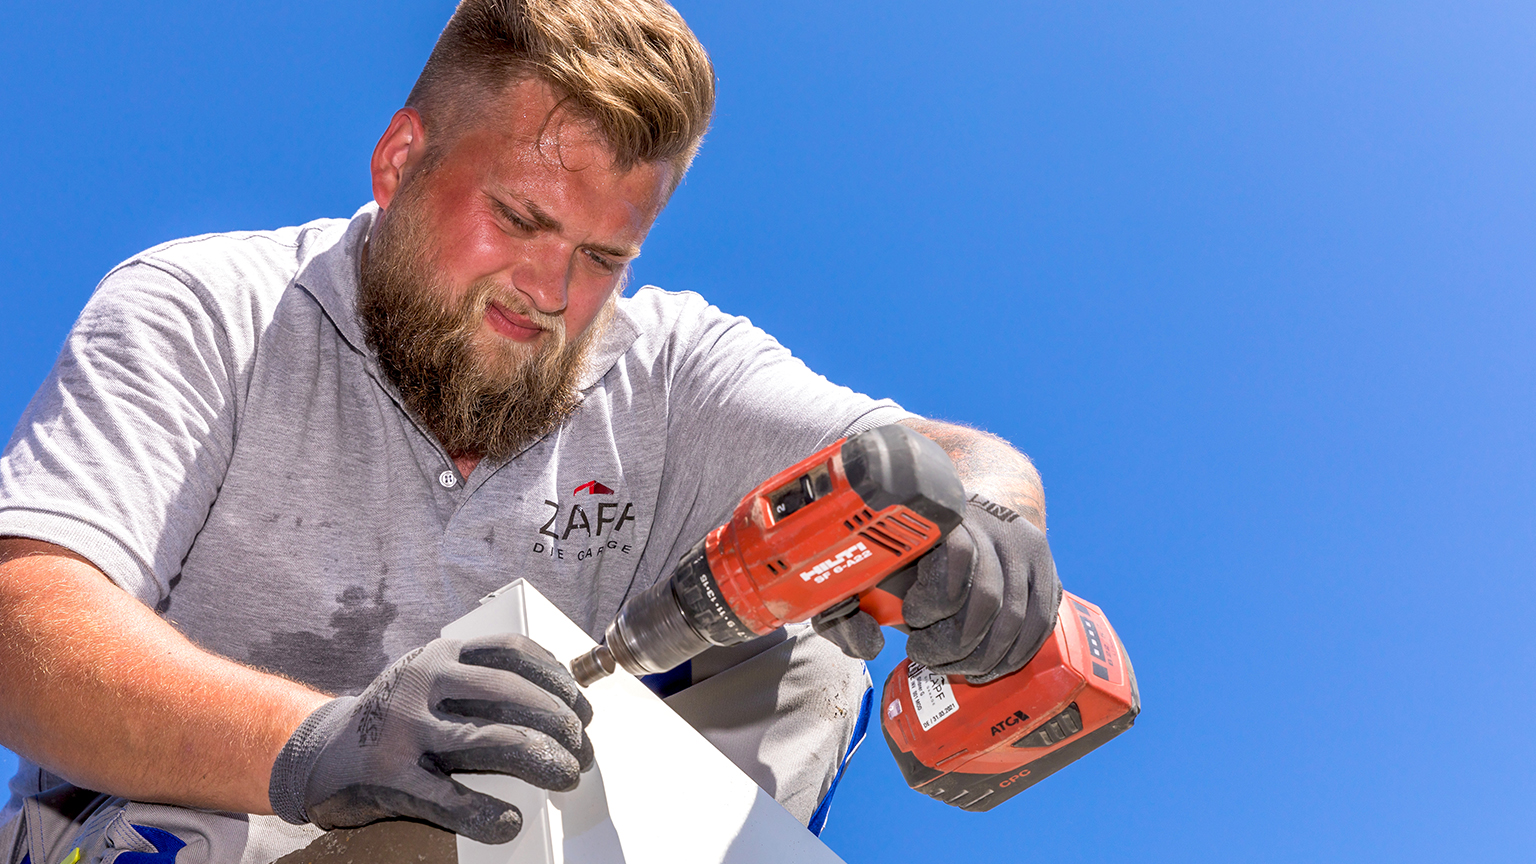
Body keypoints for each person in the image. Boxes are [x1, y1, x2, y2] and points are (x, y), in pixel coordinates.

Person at [0, 1, 1062, 862]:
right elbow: (21, 620)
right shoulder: (207, 305)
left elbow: (951, 458)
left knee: (825, 621)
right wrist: (316, 742)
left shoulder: (671, 371)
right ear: (400, 159)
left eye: (605, 257)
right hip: (176, 828)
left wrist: (985, 517)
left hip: (498, 840)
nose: (553, 292)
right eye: (518, 219)